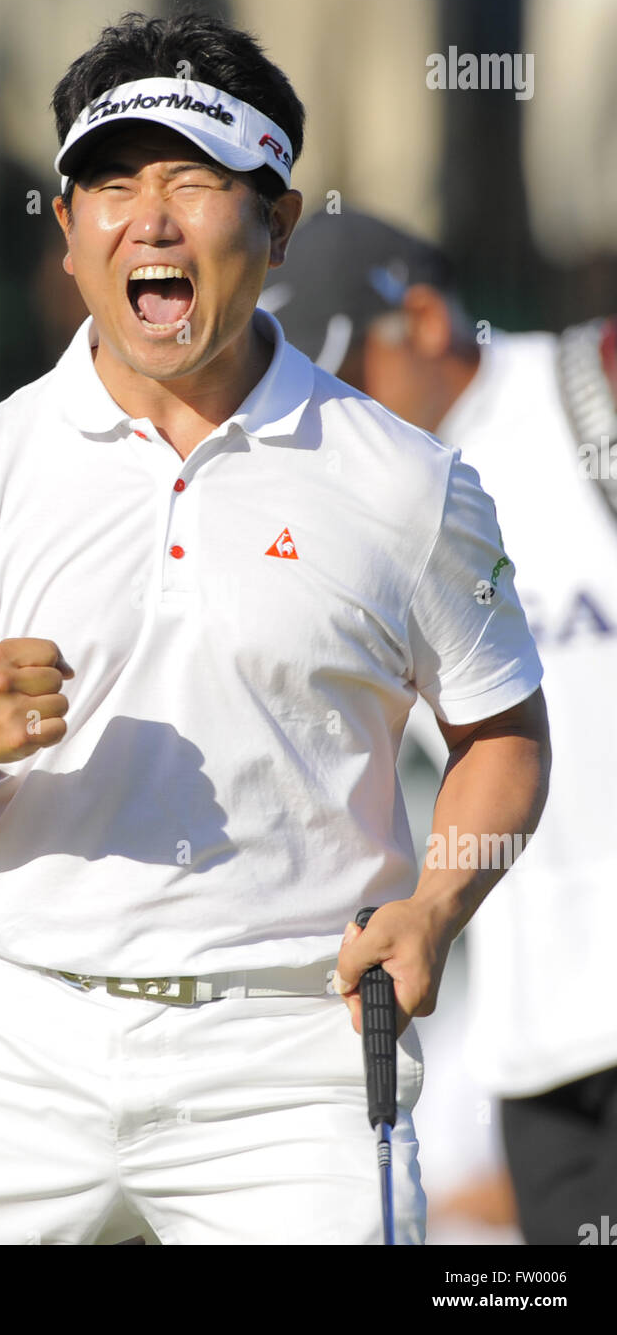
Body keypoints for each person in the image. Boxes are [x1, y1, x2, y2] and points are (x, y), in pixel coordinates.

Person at [0, 13, 549, 1247]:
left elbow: (503, 735)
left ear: (280, 222)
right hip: (6, 1044)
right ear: (66, 231)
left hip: (288, 1057)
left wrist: (432, 911)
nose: (149, 217)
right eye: (110, 181)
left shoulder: (410, 481)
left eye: (194, 179)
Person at [264, 206, 616, 1245]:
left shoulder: (586, 386)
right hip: (540, 1044)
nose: (325, 410)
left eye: (345, 374)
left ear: (421, 318)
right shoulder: (351, 498)